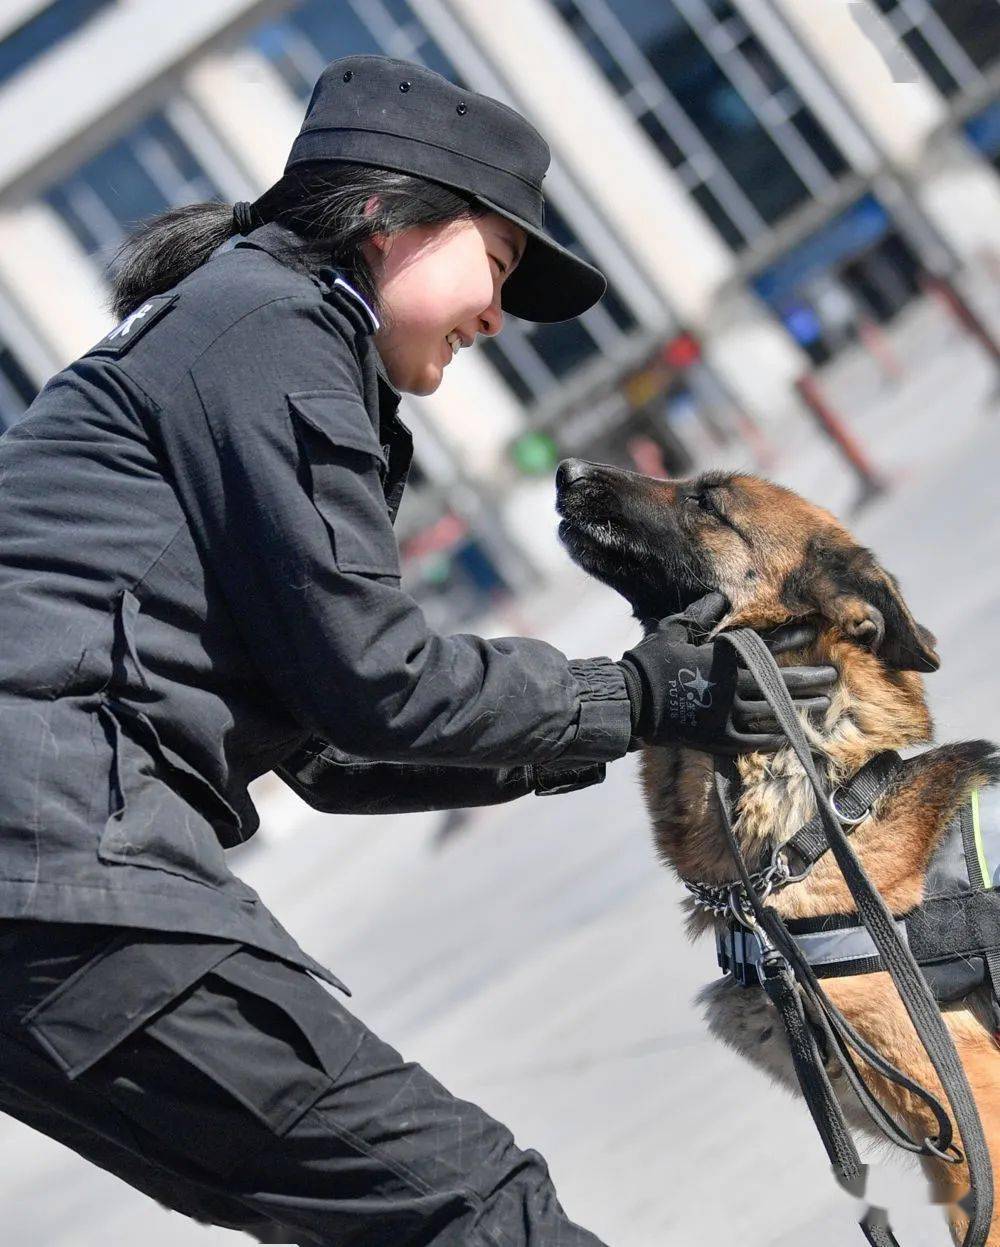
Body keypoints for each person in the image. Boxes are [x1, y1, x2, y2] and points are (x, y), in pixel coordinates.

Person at [0, 56, 835, 1246]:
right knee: (469, 1204)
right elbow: (376, 679)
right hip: (64, 870)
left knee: (398, 1218)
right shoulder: (272, 319)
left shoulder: (240, 328)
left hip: (41, 900)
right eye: (494, 264)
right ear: (385, 219)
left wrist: (633, 709)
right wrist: (632, 696)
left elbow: (333, 743)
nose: (496, 313)